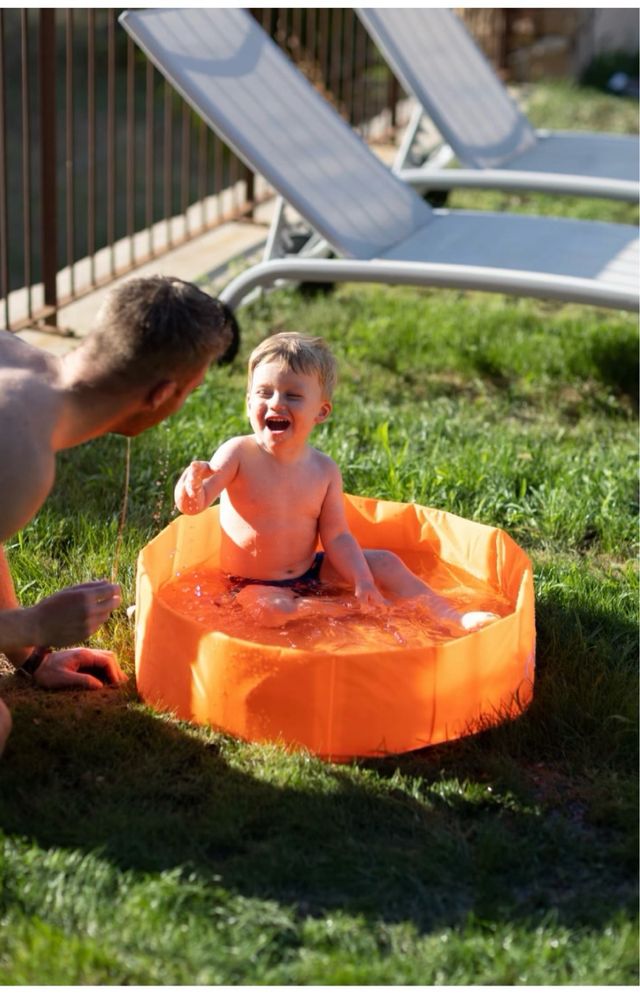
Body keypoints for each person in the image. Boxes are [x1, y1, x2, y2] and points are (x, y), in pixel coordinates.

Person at [0, 274, 239, 757]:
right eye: (189, 392)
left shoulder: (15, 360)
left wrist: (30, 655)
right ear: (161, 394)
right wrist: (33, 625)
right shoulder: (20, 457)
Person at [174, 331, 497, 630]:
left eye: (293, 395)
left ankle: (453, 617)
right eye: (264, 392)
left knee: (384, 562)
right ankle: (346, 610)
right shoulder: (238, 454)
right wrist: (189, 489)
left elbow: (338, 537)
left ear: (321, 412)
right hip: (250, 584)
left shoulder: (323, 470)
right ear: (248, 403)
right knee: (270, 610)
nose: (275, 402)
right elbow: (196, 504)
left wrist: (363, 580)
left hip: (310, 572)